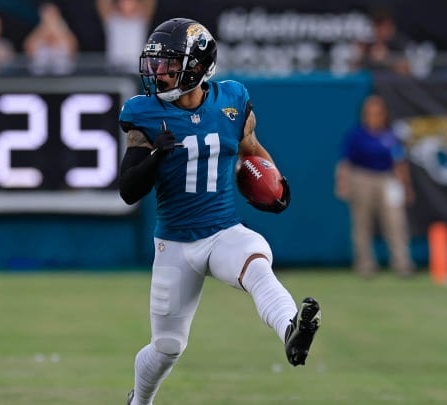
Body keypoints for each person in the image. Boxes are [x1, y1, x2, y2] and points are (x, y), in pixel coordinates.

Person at [118, 18, 322, 405]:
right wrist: (156, 156)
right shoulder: (144, 113)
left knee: (257, 259)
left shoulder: (232, 101)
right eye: (156, 65)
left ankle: (290, 331)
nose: (158, 75)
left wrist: (275, 183)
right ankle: (139, 402)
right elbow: (129, 190)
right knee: (166, 347)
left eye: (169, 65)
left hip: (222, 232)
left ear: (197, 67)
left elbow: (251, 148)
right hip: (175, 246)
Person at [335, 95, 415, 277]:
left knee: (395, 222)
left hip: (387, 179)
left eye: (377, 113)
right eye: (370, 113)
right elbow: (345, 162)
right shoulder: (356, 135)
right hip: (362, 177)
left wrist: (406, 186)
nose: (374, 116)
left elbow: (399, 162)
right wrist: (343, 183)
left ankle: (402, 262)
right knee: (362, 222)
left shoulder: (391, 135)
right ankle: (365, 264)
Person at [97, 0, 157, 73]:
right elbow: (103, 3)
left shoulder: (141, 20)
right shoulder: (112, 20)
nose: (126, 4)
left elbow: (149, 3)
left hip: (137, 70)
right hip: (114, 69)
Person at [23, 2, 78, 75]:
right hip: (39, 77)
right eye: (47, 14)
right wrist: (43, 30)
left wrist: (57, 30)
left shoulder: (64, 31)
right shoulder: (38, 31)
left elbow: (72, 49)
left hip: (64, 76)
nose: (49, 17)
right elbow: (28, 49)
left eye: (52, 14)